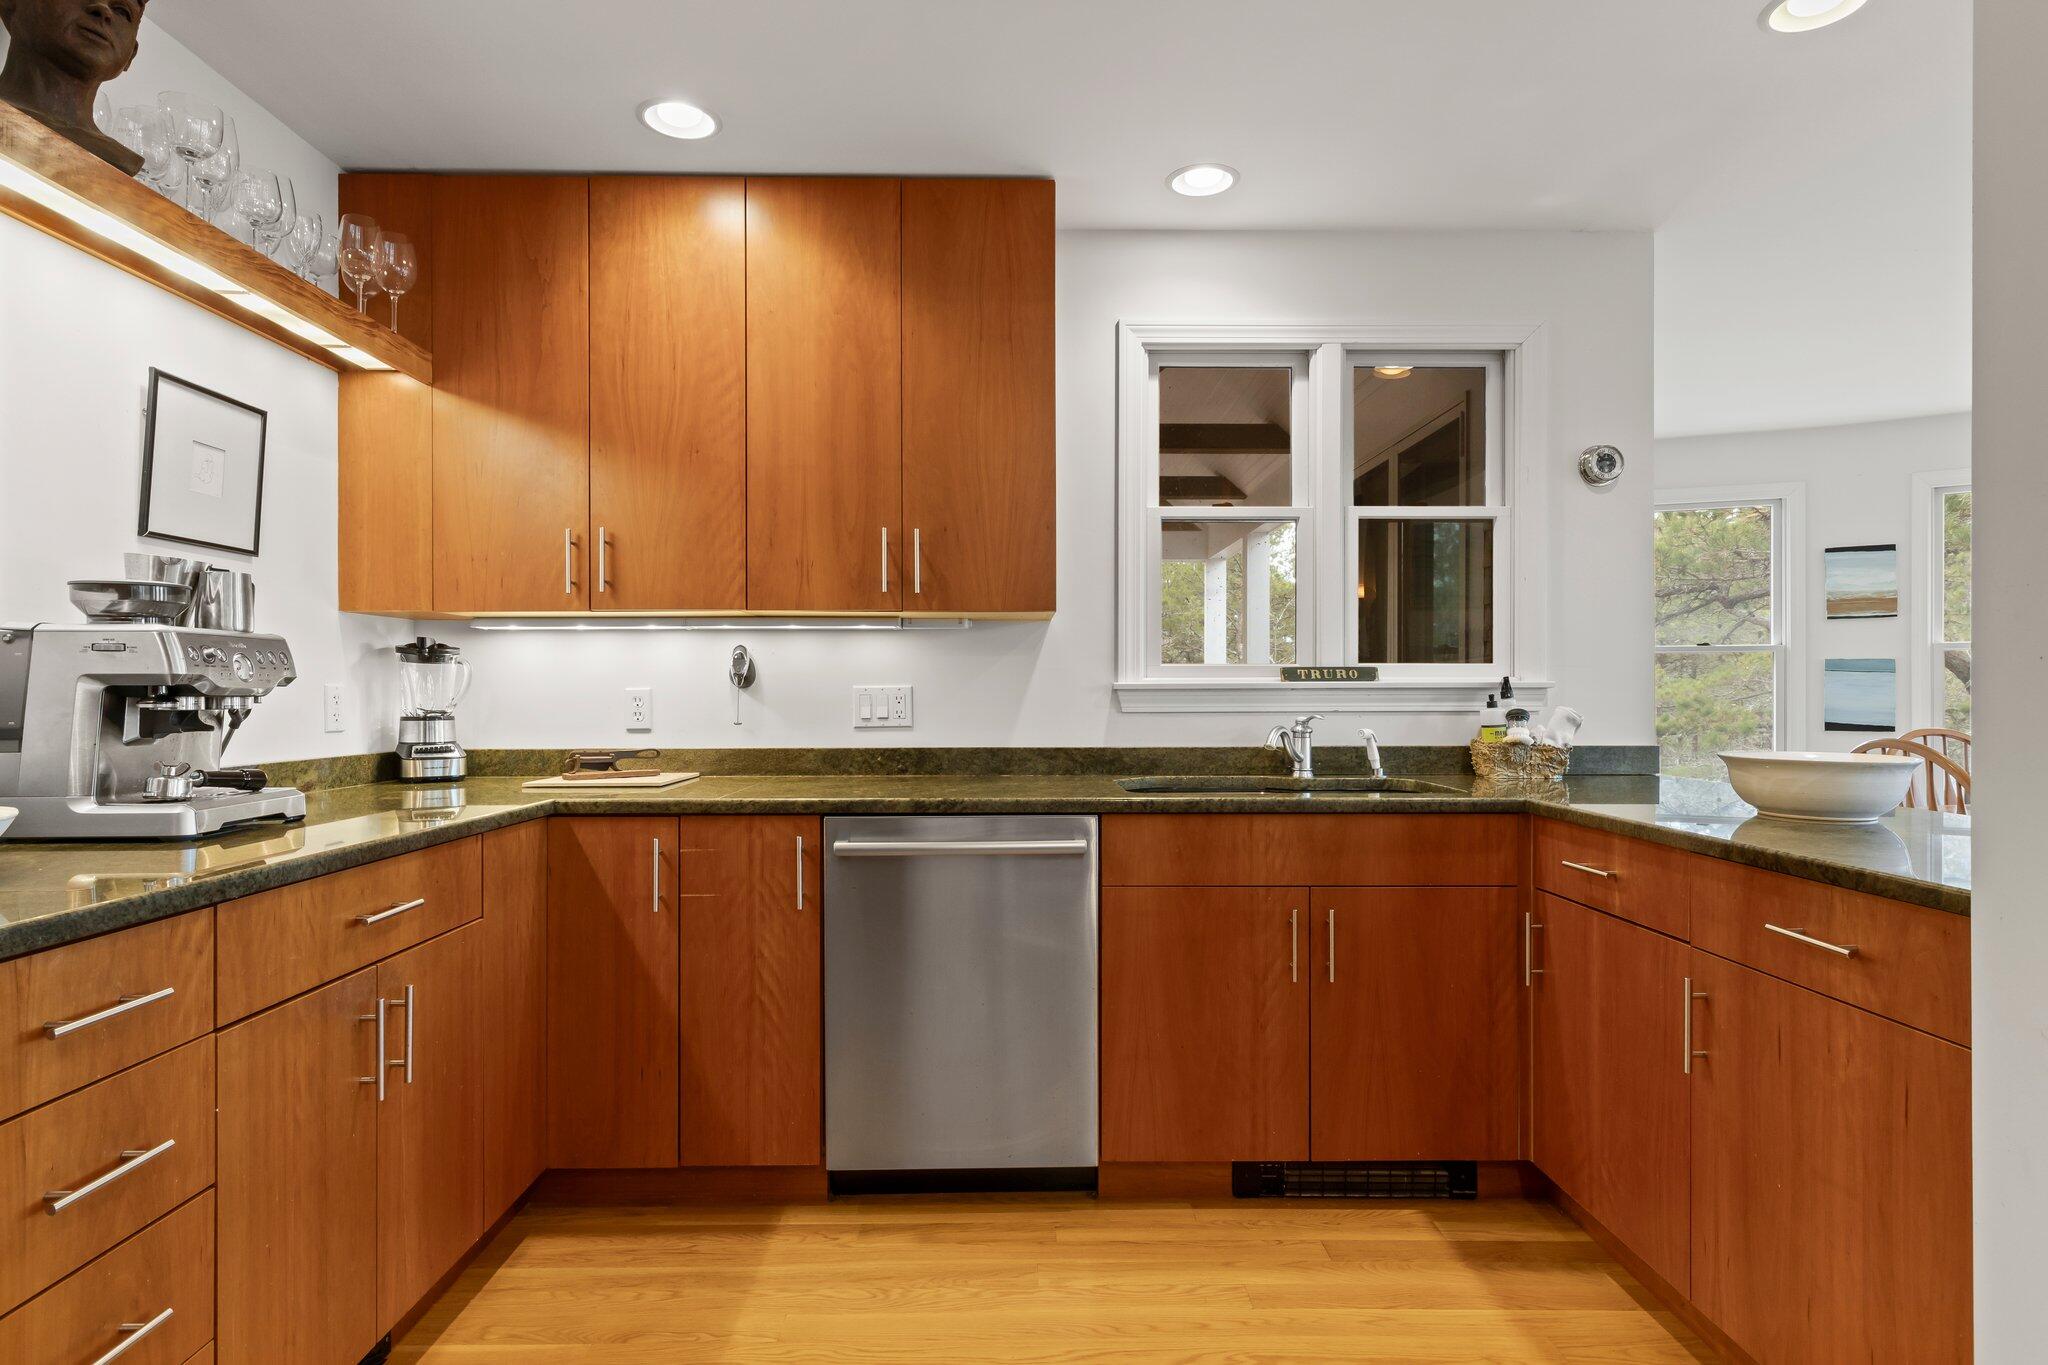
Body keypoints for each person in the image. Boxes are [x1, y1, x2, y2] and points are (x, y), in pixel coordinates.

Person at [0, 0, 148, 173]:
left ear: (132, 54)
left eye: (122, 11)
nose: (104, 11)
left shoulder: (117, 161)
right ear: (10, 3)